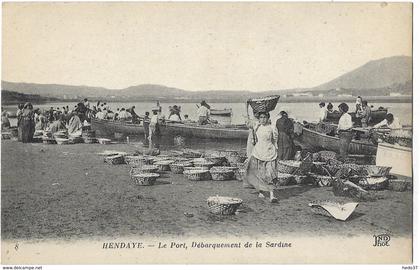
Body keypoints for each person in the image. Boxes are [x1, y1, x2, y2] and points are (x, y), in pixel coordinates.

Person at [243, 112, 278, 203]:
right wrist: (246, 114)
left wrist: (275, 149)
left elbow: (275, 140)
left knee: (270, 173)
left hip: (269, 152)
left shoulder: (272, 128)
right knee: (260, 173)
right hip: (258, 152)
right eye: (261, 117)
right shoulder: (257, 127)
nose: (262, 119)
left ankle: (272, 195)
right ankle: (261, 191)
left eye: (264, 117)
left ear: (268, 118)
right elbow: (249, 125)